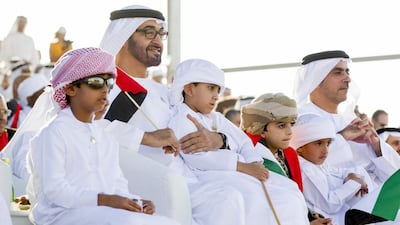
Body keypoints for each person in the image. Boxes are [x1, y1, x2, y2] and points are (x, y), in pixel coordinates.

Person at [99, 5, 246, 225]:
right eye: (149, 32)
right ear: (124, 34)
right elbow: (86, 130)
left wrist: (218, 139)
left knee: (259, 193)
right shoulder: (106, 86)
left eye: (161, 34)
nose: (158, 40)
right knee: (226, 199)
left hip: (192, 178)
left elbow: (225, 129)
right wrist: (146, 137)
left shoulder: (168, 93)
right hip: (144, 184)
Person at [26, 47, 180, 225]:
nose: (105, 89)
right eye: (96, 81)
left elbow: (116, 184)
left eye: (109, 83)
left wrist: (134, 202)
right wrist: (106, 200)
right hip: (62, 216)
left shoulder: (104, 136)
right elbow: (55, 190)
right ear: (70, 89)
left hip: (102, 214)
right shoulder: (53, 133)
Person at [168, 58, 310, 225]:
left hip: (243, 169)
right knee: (255, 198)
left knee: (290, 190)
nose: (216, 95)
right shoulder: (181, 120)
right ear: (189, 89)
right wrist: (243, 167)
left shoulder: (216, 118)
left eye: (218, 90)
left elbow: (243, 141)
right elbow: (198, 158)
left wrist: (254, 163)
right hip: (215, 175)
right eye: (210, 88)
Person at [293, 50, 400, 186]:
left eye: (347, 72)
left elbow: (394, 177)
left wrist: (376, 146)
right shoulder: (300, 120)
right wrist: (343, 137)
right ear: (316, 79)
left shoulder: (350, 122)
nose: (347, 79)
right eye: (338, 73)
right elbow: (307, 167)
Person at [241, 92, 333, 225]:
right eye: (281, 125)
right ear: (261, 129)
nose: (290, 132)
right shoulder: (251, 156)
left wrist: (310, 216)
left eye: (291, 124)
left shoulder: (289, 154)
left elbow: (295, 195)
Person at [290, 113, 380, 225]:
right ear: (300, 147)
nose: (325, 150)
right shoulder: (305, 170)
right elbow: (330, 203)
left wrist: (351, 175)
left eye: (328, 143)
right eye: (319, 143)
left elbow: (337, 171)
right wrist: (355, 183)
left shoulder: (316, 163)